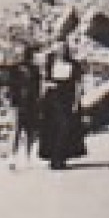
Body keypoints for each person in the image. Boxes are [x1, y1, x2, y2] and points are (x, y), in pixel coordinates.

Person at [38, 41, 86, 171]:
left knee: (66, 127)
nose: (60, 52)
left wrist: (76, 102)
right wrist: (42, 99)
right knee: (53, 128)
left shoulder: (74, 65)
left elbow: (79, 85)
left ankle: (61, 156)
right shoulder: (50, 65)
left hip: (67, 99)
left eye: (62, 49)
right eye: (57, 50)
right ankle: (55, 158)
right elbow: (44, 82)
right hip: (52, 100)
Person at [10, 46, 42, 164]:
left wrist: (38, 100)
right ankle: (13, 156)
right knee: (17, 130)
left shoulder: (35, 69)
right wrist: (13, 102)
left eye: (27, 54)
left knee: (30, 130)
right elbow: (12, 86)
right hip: (19, 103)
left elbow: (38, 86)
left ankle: (28, 156)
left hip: (31, 102)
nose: (25, 56)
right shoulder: (14, 69)